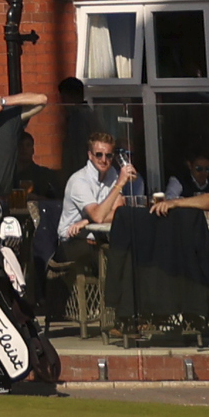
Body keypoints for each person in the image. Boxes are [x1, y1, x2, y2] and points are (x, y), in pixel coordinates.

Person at [52, 134, 133, 332]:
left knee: (129, 254)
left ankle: (127, 316)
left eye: (108, 155)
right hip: (71, 241)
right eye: (99, 155)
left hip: (96, 238)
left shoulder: (112, 173)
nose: (104, 160)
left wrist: (88, 219)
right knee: (113, 258)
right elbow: (100, 215)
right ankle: (116, 318)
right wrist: (120, 185)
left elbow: (119, 211)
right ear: (90, 155)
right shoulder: (80, 181)